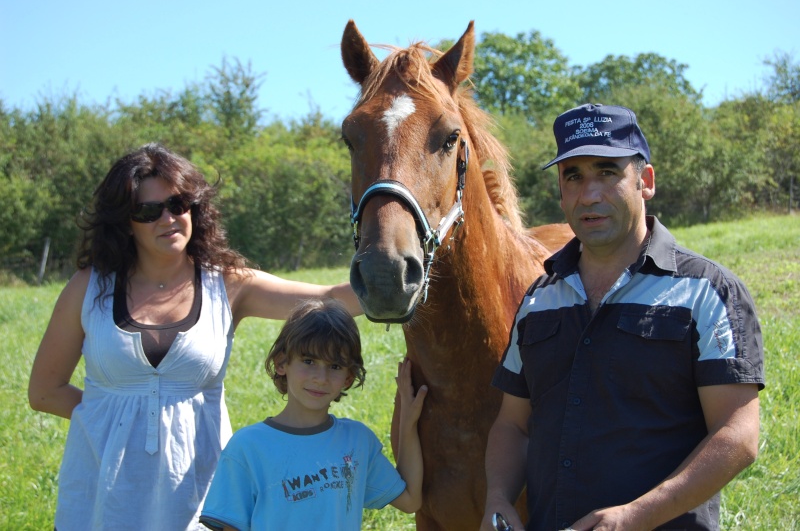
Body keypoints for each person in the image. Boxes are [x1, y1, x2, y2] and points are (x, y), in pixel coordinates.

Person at [27, 143, 362, 531]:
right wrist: (115, 418)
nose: (167, 218)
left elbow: (328, 299)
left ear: (195, 209)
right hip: (102, 497)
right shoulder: (88, 288)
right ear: (124, 221)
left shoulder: (228, 283)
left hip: (204, 495)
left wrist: (407, 273)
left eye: (178, 204)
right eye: (147, 211)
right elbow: (44, 391)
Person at [482, 104, 764, 531]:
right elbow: (513, 425)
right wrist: (499, 497)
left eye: (607, 172)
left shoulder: (707, 290)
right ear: (560, 191)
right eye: (573, 176)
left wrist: (636, 517)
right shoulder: (540, 299)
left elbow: (737, 435)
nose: (589, 194)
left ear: (644, 181)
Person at [199, 298, 427, 530]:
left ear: (349, 377)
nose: (321, 377)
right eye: (308, 361)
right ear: (281, 363)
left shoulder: (358, 441)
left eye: (335, 366)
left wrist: (408, 423)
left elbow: (409, 500)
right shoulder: (247, 447)